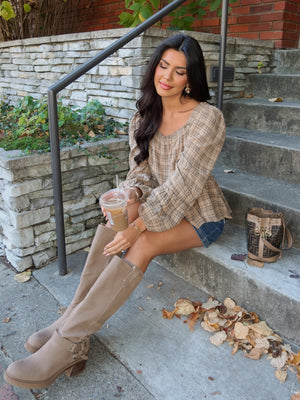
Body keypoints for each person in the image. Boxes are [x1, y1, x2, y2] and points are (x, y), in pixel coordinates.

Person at [4, 33, 231, 389]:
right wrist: (128, 194)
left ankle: (66, 342)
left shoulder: (207, 118)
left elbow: (183, 187)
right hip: (161, 203)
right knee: (118, 216)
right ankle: (72, 323)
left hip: (200, 215)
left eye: (180, 71)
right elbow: (141, 173)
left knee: (140, 243)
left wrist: (138, 226)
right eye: (163, 65)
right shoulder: (144, 113)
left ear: (192, 78)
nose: (167, 77)